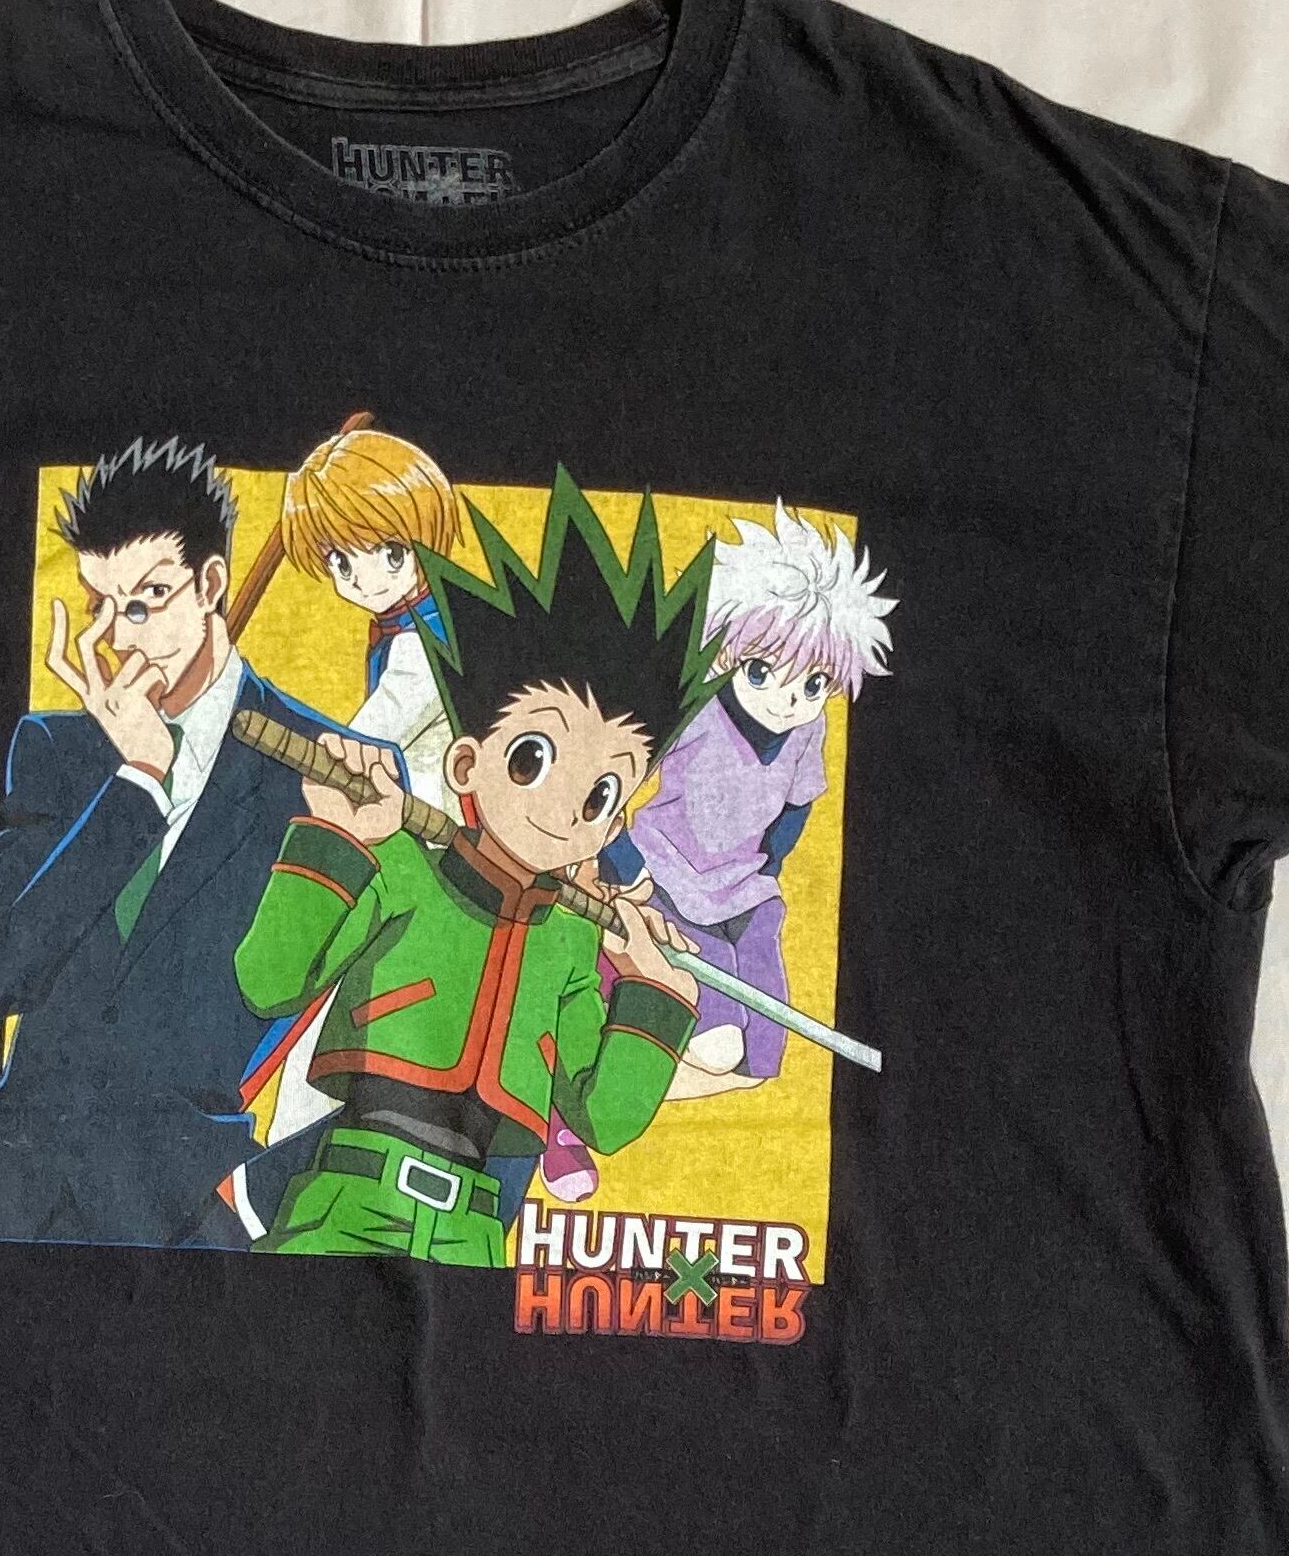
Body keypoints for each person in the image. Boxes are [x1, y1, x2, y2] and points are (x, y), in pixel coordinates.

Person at [233, 471, 705, 1263]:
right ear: (467, 764)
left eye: (598, 796)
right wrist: (335, 839)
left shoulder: (570, 941)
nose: (562, 811)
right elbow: (268, 981)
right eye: (532, 759)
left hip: (475, 1239)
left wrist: (655, 997)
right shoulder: (401, 867)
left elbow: (605, 1117)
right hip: (346, 1203)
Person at [0, 436, 371, 1245]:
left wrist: (257, 1199)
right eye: (101, 605)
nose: (118, 639)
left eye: (146, 601)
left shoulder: (325, 770)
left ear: (211, 585)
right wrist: (136, 785)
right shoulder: (60, 750)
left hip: (183, 1203)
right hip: (7, 1190)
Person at [603, 500, 896, 1102]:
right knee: (719, 1036)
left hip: (747, 888)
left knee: (763, 1050)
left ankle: (651, 1081)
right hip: (668, 876)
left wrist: (771, 863)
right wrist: (617, 857)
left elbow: (798, 803)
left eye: (813, 684)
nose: (788, 699)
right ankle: (627, 1072)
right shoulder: (696, 709)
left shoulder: (809, 728)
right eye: (762, 671)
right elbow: (622, 771)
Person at [277, 422, 466, 804]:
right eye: (341, 562)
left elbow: (363, 741)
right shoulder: (410, 628)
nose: (366, 580)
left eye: (392, 553)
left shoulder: (424, 645)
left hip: (431, 821)